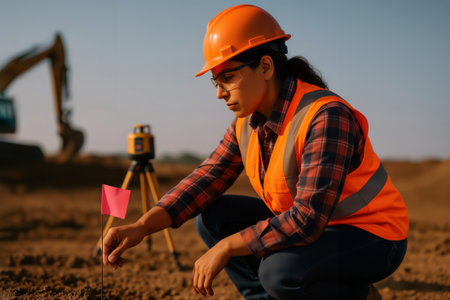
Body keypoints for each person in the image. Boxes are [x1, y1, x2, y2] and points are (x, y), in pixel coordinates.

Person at [103, 4, 408, 300]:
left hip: (373, 237)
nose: (220, 93)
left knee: (279, 272)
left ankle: (358, 296)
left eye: (228, 78)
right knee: (212, 218)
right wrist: (141, 227)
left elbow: (307, 219)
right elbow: (207, 178)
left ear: (265, 66)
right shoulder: (246, 125)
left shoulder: (325, 116)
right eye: (216, 82)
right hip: (315, 230)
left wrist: (227, 247)